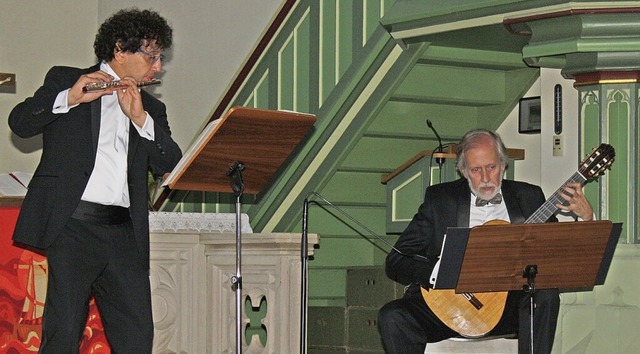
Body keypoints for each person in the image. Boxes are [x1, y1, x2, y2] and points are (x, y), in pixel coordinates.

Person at [8, 8, 182, 353]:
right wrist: (70, 98)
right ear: (120, 49)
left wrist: (141, 119)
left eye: (160, 58)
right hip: (73, 226)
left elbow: (171, 165)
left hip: (123, 234)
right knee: (64, 332)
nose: (158, 67)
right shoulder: (66, 79)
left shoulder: (150, 108)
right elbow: (21, 123)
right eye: (152, 56)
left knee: (136, 336)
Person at [377, 129, 594, 354]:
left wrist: (585, 218)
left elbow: (560, 253)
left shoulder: (529, 197)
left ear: (503, 164)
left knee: (545, 293)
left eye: (491, 167)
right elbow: (396, 260)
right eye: (476, 170)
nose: (486, 178)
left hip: (508, 308)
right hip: (450, 305)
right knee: (392, 317)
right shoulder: (441, 200)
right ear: (463, 171)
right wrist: (437, 273)